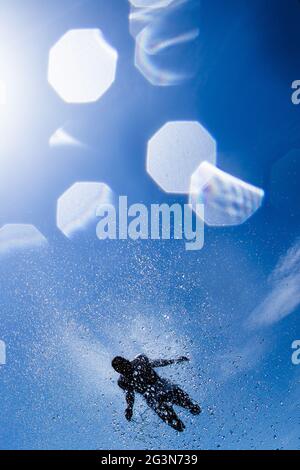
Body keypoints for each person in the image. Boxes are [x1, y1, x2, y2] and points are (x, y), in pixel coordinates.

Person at [112, 354, 201, 432]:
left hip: (164, 387)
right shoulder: (123, 381)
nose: (126, 371)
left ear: (127, 361)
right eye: (122, 370)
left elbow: (158, 362)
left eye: (125, 366)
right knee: (177, 425)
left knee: (194, 408)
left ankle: (191, 408)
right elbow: (129, 394)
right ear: (119, 372)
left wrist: (175, 360)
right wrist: (129, 407)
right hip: (153, 399)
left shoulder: (139, 361)